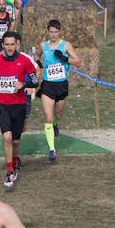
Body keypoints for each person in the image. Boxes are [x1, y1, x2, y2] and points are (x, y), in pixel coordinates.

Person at [0, 32, 39, 188]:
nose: (9, 47)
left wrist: (24, 85)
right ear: (3, 45)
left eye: (12, 44)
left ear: (17, 45)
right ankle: (9, 171)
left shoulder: (24, 61)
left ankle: (14, 162)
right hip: (2, 105)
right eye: (6, 44)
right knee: (6, 138)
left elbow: (35, 81)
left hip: (19, 105)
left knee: (15, 140)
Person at [35, 19, 81, 162]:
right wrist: (37, 61)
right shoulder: (43, 45)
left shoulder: (66, 45)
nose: (53, 35)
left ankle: (55, 124)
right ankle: (52, 150)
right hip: (47, 85)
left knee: (58, 115)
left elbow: (78, 61)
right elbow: (36, 55)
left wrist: (64, 58)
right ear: (47, 31)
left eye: (56, 32)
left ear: (59, 32)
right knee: (48, 117)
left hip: (61, 85)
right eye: (51, 32)